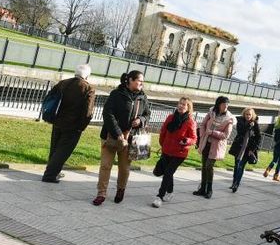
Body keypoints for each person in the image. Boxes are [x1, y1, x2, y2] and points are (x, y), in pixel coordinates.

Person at [93, 70, 150, 206]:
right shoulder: (116, 94)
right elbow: (108, 114)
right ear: (130, 80)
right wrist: (118, 133)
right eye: (139, 80)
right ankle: (101, 193)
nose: (142, 83)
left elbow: (147, 114)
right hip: (111, 136)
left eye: (143, 81)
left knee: (124, 168)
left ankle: (121, 189)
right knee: (106, 165)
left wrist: (141, 120)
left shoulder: (143, 97)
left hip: (130, 138)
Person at [42, 64, 96, 183]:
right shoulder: (88, 88)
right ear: (87, 75)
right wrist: (81, 127)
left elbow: (50, 98)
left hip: (57, 120)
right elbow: (88, 111)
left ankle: (53, 171)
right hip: (73, 125)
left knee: (55, 148)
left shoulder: (63, 83)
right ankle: (50, 175)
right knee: (63, 151)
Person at [153, 97, 197, 208]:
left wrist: (186, 141)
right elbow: (163, 132)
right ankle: (170, 192)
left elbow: (194, 138)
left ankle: (159, 196)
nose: (181, 106)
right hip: (167, 150)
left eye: (184, 105)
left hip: (179, 153)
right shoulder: (170, 117)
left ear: (188, 108)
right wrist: (163, 145)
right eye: (180, 103)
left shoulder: (190, 122)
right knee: (167, 172)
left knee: (168, 172)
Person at [194, 96, 234, 199]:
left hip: (216, 146)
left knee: (209, 166)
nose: (226, 106)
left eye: (227, 104)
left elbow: (226, 135)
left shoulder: (229, 119)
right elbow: (202, 125)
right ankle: (202, 189)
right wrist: (203, 135)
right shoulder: (211, 112)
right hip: (206, 143)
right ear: (218, 104)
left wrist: (212, 132)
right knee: (203, 166)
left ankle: (209, 189)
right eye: (223, 104)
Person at [228, 107, 261, 192]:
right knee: (236, 166)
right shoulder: (240, 122)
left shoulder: (255, 124)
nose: (248, 116)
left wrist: (252, 149)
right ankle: (234, 182)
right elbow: (241, 131)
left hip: (248, 150)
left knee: (241, 167)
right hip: (239, 147)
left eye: (249, 114)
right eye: (246, 114)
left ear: (252, 115)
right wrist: (249, 126)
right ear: (244, 114)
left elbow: (258, 138)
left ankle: (236, 185)